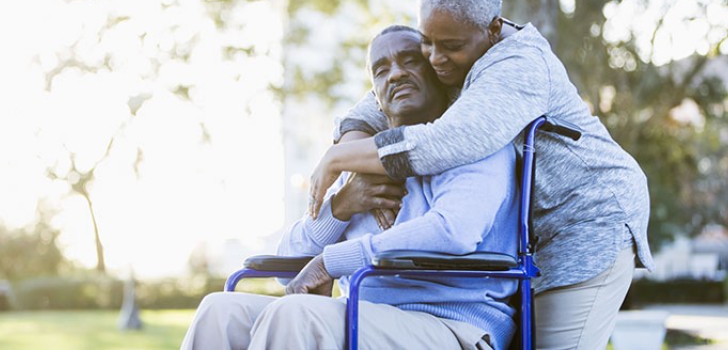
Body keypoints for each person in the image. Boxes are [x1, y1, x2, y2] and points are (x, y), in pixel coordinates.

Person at [309, 0, 654, 350]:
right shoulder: (451, 49)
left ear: (492, 28)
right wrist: (356, 163)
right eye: (426, 43)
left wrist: (337, 159)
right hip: (529, 236)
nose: (434, 59)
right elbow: (372, 106)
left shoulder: (518, 65)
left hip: (587, 218)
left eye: (450, 46)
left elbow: (445, 143)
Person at [181, 25, 520, 350]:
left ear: (438, 72)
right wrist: (341, 206)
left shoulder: (475, 141)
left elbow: (453, 231)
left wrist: (331, 261)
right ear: (376, 99)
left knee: (296, 315)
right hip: (364, 317)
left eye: (410, 60)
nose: (395, 74)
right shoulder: (362, 159)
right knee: (219, 312)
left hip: (452, 324)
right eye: (381, 70)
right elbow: (286, 266)